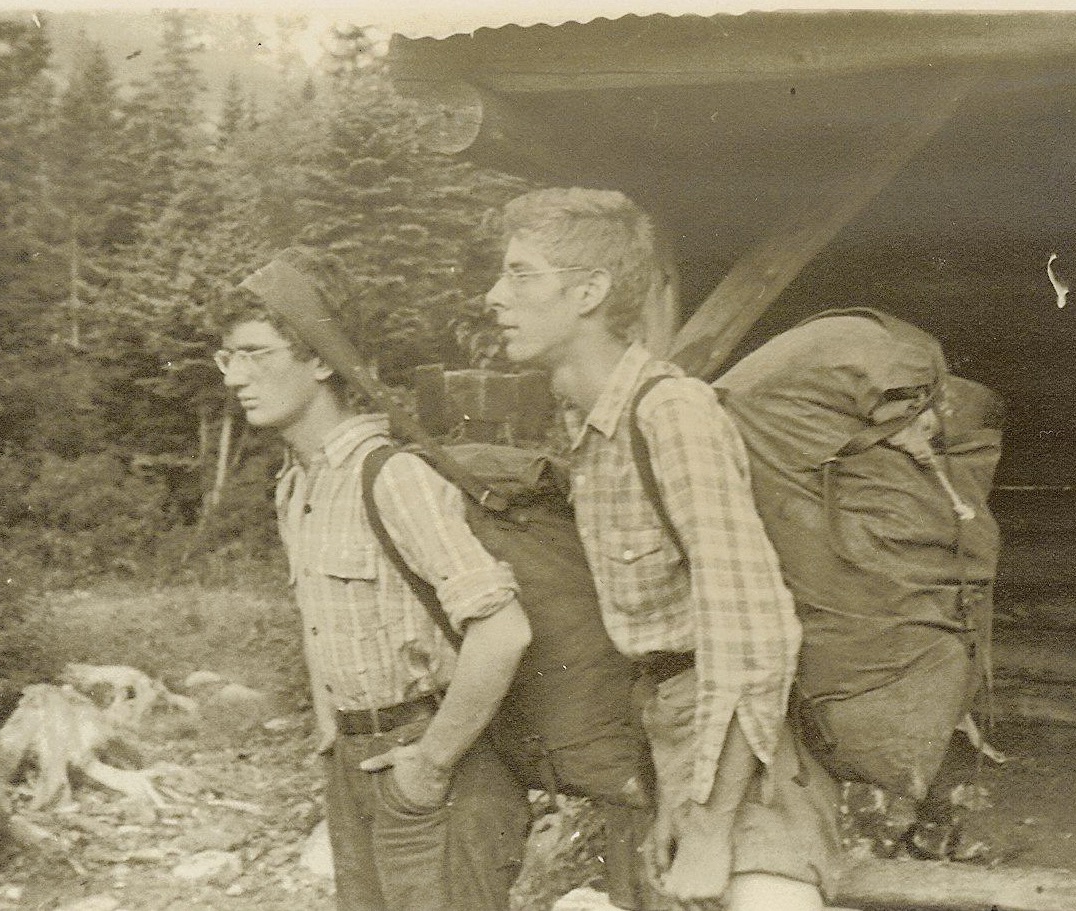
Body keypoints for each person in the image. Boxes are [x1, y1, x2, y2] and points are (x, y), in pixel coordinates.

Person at [485, 188, 841, 910]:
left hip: (740, 751)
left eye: (521, 275)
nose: (495, 297)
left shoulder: (670, 414)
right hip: (673, 731)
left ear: (589, 293)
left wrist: (710, 827)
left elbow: (755, 632)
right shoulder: (594, 432)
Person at [217, 246, 531, 911]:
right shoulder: (298, 483)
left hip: (432, 765)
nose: (236, 377)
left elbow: (501, 632)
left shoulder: (391, 476)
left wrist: (428, 765)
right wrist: (332, 731)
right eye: (228, 358)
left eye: (256, 354)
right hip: (357, 767)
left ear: (321, 359)